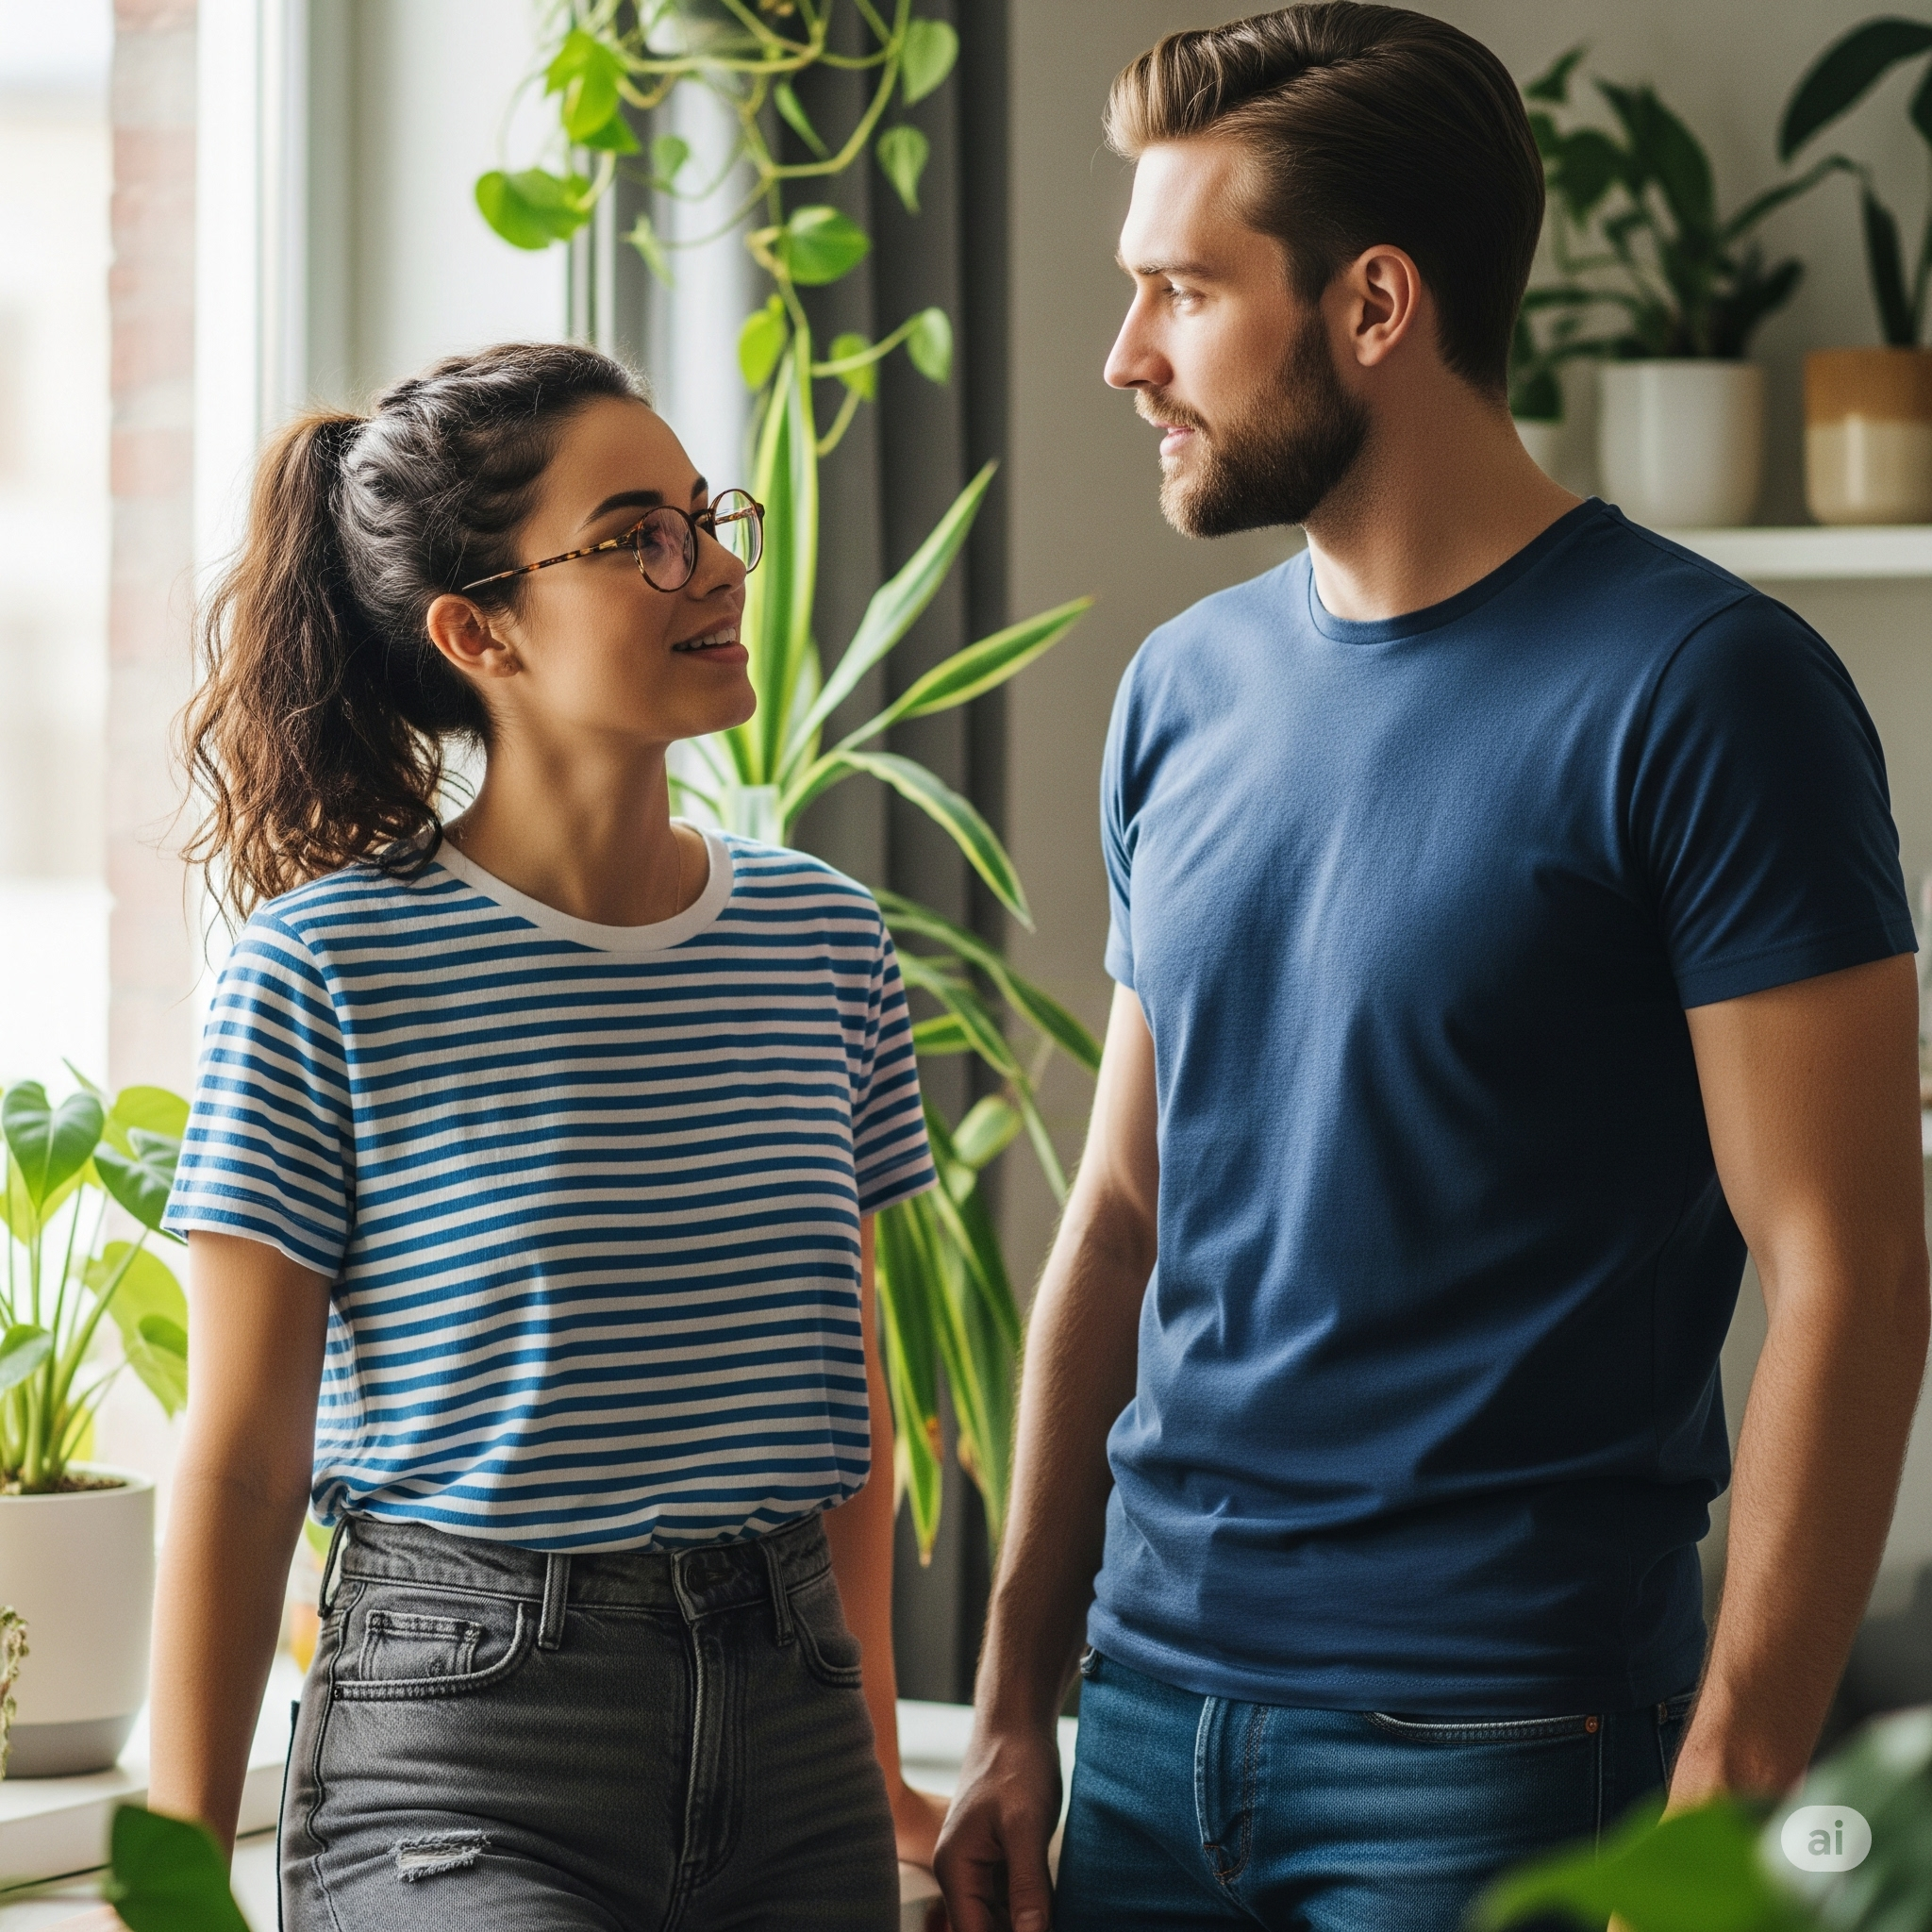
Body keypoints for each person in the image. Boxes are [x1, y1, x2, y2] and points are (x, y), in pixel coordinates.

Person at [935, 8, 1931, 1930]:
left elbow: (1853, 1268)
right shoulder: (1182, 693)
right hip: (1143, 1735)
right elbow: (1122, 1217)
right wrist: (1008, 1706)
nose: (1124, 357)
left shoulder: (1705, 691)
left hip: (1497, 1755)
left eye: (1180, 291)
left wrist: (1721, 1810)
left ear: (1372, 302)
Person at [148, 341, 946, 1930]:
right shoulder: (326, 971)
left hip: (792, 1737)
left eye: (708, 516)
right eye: (638, 532)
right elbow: (242, 1461)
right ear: (478, 629)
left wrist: (869, 1745)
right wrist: (170, 1879)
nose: (712, 566)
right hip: (461, 1750)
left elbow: (841, 1386)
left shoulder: (823, 939)